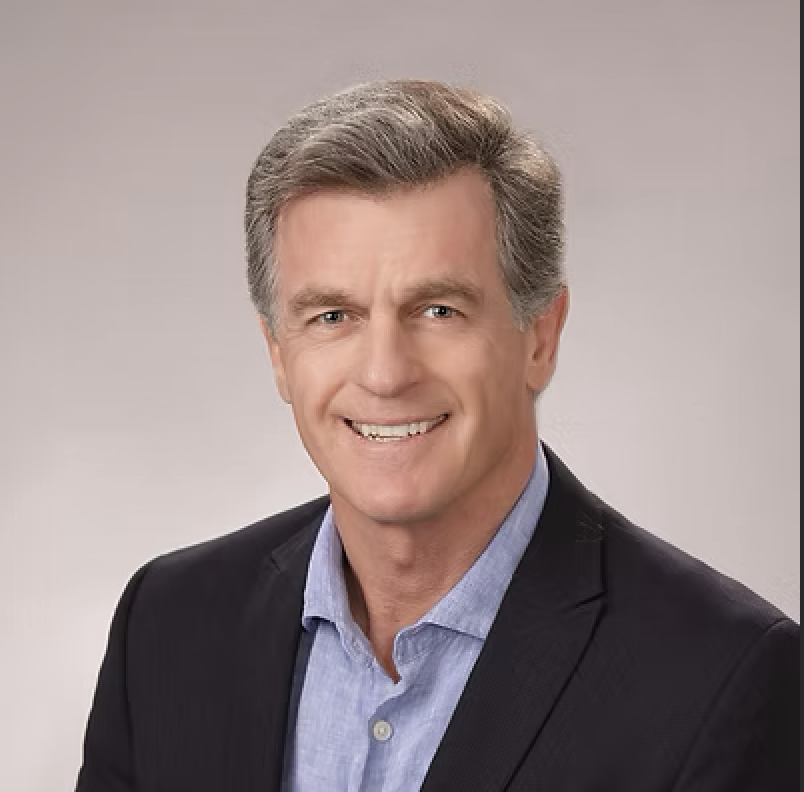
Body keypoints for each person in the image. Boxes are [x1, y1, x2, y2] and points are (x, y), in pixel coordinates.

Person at [75, 79, 799, 792]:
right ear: (277, 353)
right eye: (333, 316)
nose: (385, 374)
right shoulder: (167, 625)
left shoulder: (724, 677)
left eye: (439, 311)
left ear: (540, 337)